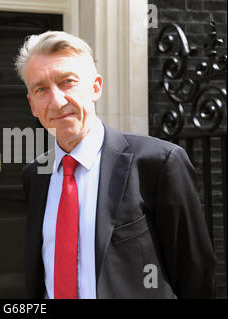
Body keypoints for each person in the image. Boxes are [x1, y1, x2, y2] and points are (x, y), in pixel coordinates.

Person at [15, 31, 216, 299]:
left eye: (68, 82)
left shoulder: (159, 163)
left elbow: (195, 275)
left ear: (96, 87)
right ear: (32, 105)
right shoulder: (35, 175)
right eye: (41, 89)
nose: (57, 101)